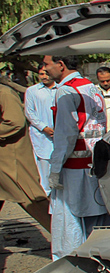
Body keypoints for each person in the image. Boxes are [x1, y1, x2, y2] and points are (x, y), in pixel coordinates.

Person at [42, 55, 110, 260]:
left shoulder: (66, 91)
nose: (45, 70)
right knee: (97, 220)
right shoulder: (91, 87)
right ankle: (103, 264)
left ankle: (71, 266)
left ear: (60, 65)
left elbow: (65, 134)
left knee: (69, 222)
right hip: (95, 163)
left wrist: (55, 169)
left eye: (47, 64)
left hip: (73, 167)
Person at [0, 80, 51, 232]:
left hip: (12, 160)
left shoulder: (4, 93)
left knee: (33, 200)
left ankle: (68, 241)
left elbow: (15, 122)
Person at [24, 63, 57, 195]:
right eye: (41, 74)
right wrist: (44, 128)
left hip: (60, 133)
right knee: (44, 168)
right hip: (42, 135)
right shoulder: (32, 91)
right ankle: (47, 198)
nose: (44, 76)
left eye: (47, 73)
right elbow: (30, 112)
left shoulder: (62, 89)